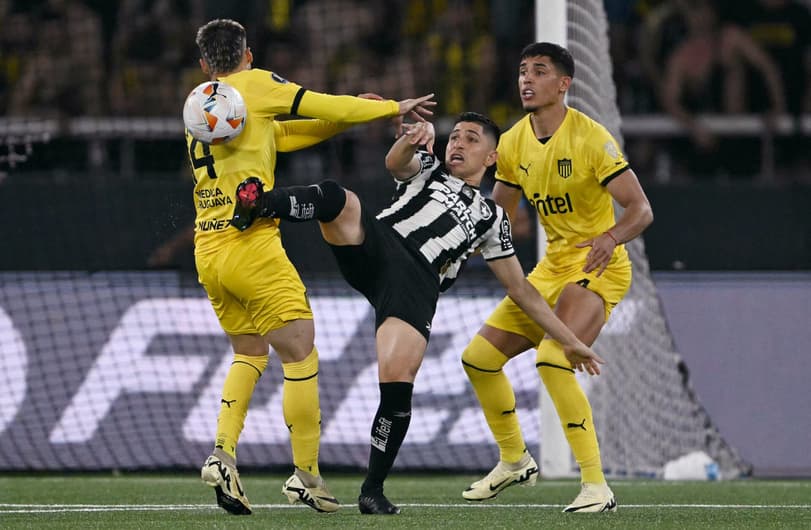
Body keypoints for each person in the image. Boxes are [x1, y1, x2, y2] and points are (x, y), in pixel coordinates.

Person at [229, 112, 604, 515]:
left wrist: (570, 340)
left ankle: (372, 491)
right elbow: (395, 162)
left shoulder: (493, 218)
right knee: (340, 200)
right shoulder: (430, 169)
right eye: (454, 136)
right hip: (379, 244)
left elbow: (521, 290)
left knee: (396, 384)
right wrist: (410, 139)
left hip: (415, 284)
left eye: (471, 139)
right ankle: (259, 203)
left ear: (492, 157)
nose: (458, 144)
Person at [188, 18, 436, 516]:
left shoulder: (201, 106)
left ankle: (223, 452)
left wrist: (354, 117)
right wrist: (390, 106)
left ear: (203, 64)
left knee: (250, 353)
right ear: (248, 54)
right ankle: (306, 475)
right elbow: (318, 103)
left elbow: (284, 135)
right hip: (251, 244)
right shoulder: (255, 84)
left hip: (208, 248)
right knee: (300, 356)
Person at [459, 42, 653, 513]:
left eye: (539, 71)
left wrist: (610, 237)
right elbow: (501, 211)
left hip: (597, 266)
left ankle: (595, 485)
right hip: (549, 268)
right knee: (478, 358)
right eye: (522, 70)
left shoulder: (591, 138)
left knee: (552, 358)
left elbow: (641, 209)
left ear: (563, 84)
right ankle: (513, 459)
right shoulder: (512, 143)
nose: (526, 79)